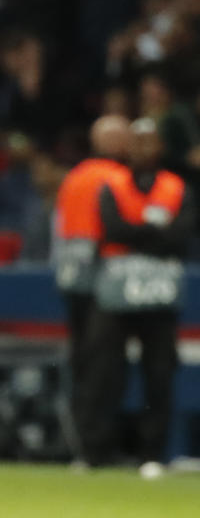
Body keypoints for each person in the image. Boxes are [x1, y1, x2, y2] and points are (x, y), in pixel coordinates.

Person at [79, 117, 192, 478]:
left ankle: (153, 454)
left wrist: (135, 235)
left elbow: (183, 234)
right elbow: (110, 228)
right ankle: (96, 452)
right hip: (115, 291)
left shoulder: (177, 187)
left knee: (159, 371)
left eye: (150, 142)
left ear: (159, 147)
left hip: (160, 292)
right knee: (104, 371)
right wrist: (155, 233)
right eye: (137, 142)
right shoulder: (111, 185)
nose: (143, 149)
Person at [51, 114, 130, 452]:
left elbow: (60, 229)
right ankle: (96, 442)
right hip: (108, 278)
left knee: (82, 359)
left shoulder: (74, 178)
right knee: (105, 364)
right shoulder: (120, 178)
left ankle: (78, 441)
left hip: (73, 277)